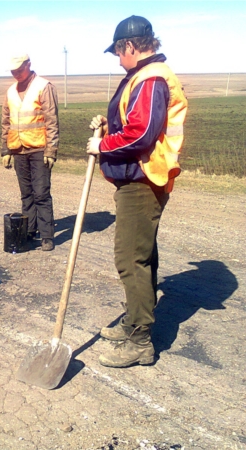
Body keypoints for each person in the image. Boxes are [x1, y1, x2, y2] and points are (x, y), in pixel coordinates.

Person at [86, 16, 188, 367]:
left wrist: (102, 145)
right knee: (143, 255)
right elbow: (135, 122)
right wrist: (108, 123)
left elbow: (141, 133)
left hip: (144, 178)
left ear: (130, 46)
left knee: (130, 259)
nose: (117, 59)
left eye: (118, 51)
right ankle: (133, 322)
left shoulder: (150, 77)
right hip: (143, 177)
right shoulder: (146, 76)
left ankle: (140, 340)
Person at [1, 54, 60, 251]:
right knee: (26, 194)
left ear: (28, 65)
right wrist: (6, 150)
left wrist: (51, 150)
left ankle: (46, 236)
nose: (16, 73)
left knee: (41, 193)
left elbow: (52, 120)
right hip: (18, 149)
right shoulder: (10, 91)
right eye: (12, 71)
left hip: (39, 148)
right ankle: (29, 230)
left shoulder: (43, 86)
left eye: (19, 69)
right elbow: (6, 122)